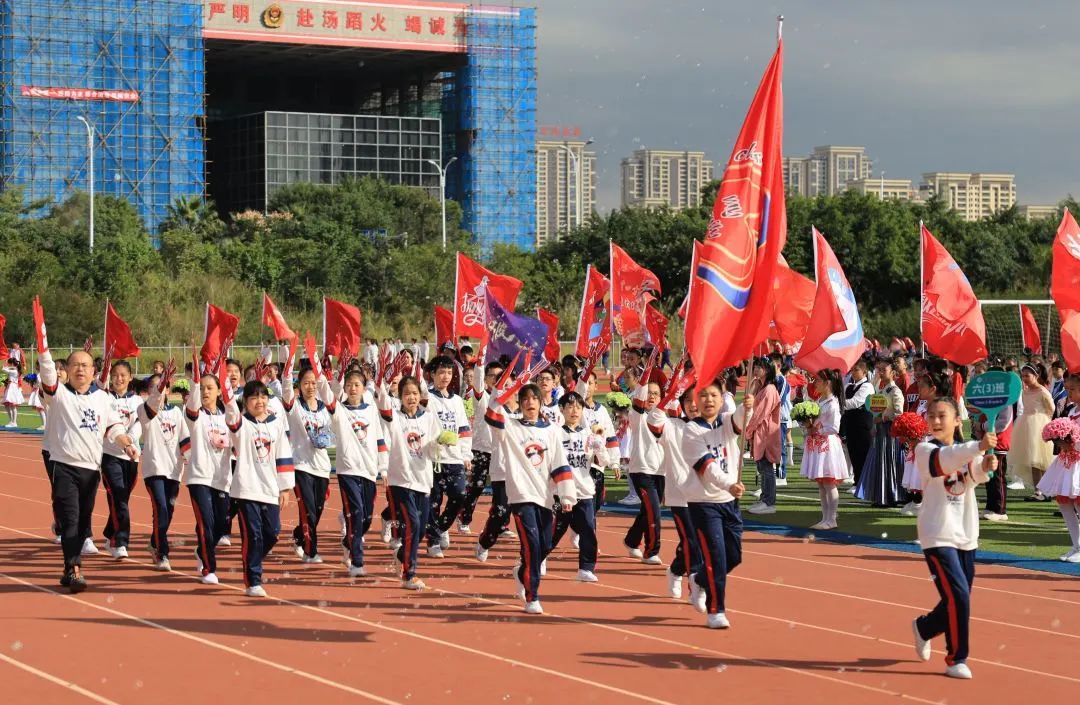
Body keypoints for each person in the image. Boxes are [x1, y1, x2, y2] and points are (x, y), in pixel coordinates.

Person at [39, 340, 140, 593]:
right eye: (75, 365)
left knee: (82, 522)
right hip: (63, 466)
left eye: (85, 365)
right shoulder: (58, 394)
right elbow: (49, 374)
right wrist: (43, 348)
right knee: (70, 519)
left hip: (91, 469)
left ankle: (67, 568)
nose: (80, 370)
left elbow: (113, 426)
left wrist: (126, 442)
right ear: (68, 369)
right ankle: (74, 569)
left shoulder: (102, 398)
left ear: (94, 371)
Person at [911, 397, 997, 680]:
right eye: (931, 416)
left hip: (966, 531)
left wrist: (985, 464)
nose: (935, 421)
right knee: (958, 595)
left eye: (942, 416)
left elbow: (970, 477)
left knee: (958, 597)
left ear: (957, 420)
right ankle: (956, 658)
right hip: (937, 532)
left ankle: (925, 628)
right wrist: (978, 447)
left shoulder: (965, 452)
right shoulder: (925, 450)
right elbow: (941, 464)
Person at [485, 370, 574, 615]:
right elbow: (492, 413)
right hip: (521, 496)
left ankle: (521, 570)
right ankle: (532, 596)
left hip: (545, 496)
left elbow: (559, 463)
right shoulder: (511, 427)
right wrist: (503, 389)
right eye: (524, 399)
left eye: (534, 398)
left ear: (541, 401)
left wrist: (566, 495)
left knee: (544, 544)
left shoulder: (552, 430)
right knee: (533, 545)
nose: (529, 403)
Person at [681, 376, 753, 629]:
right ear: (695, 401)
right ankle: (716, 610)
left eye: (713, 395)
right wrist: (729, 484)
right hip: (704, 503)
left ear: (722, 399)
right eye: (703, 396)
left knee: (733, 556)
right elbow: (707, 468)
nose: (708, 400)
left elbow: (739, 422)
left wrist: (747, 406)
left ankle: (699, 578)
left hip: (729, 502)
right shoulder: (691, 430)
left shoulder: (725, 421)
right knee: (716, 556)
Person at [378, 374, 452, 590]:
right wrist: (383, 378)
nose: (411, 398)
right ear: (400, 397)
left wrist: (440, 443)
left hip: (423, 480)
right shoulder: (394, 418)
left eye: (414, 393)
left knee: (419, 531)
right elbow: (383, 404)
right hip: (401, 481)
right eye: (406, 394)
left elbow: (430, 448)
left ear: (420, 396)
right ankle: (409, 575)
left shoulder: (428, 418)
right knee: (413, 524)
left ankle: (402, 555)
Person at [225, 378, 294, 597]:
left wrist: (285, 488)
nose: (259, 401)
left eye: (263, 397)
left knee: (272, 533)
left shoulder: (276, 424)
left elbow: (283, 455)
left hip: (270, 488)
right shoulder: (240, 424)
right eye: (253, 397)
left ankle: (250, 558)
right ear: (245, 402)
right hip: (246, 488)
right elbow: (230, 411)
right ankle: (253, 580)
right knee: (253, 535)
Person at [322, 366, 388, 577]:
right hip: (348, 470)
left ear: (363, 388)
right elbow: (328, 397)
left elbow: (379, 439)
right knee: (356, 512)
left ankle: (347, 541)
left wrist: (383, 468)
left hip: (369, 471)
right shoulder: (339, 410)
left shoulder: (371, 410)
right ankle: (357, 562)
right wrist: (334, 377)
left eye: (357, 385)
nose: (352, 388)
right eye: (349, 385)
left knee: (367, 517)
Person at [647, 383, 705, 601]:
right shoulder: (672, 426)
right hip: (680, 496)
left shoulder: (713, 427)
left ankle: (675, 570)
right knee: (691, 540)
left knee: (698, 541)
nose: (693, 405)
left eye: (696, 399)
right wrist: (671, 393)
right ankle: (696, 585)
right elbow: (653, 420)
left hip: (705, 496)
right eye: (687, 400)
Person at [545, 390, 603, 582]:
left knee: (588, 529)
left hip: (584, 491)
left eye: (578, 407)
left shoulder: (589, 434)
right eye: (570, 407)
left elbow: (601, 461)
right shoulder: (555, 433)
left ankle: (586, 568)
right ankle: (538, 557)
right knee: (554, 531)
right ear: (561, 409)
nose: (574, 411)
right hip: (561, 492)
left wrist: (599, 447)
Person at [184, 364, 232, 585]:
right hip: (199, 477)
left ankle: (202, 549)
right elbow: (193, 406)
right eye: (202, 388)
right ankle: (209, 568)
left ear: (219, 391)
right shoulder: (194, 416)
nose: (205, 392)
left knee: (221, 525)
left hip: (222, 479)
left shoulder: (227, 417)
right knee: (206, 522)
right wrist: (195, 382)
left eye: (209, 388)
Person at [281, 360, 334, 564]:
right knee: (308, 510)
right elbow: (286, 390)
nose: (310, 387)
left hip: (322, 467)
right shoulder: (295, 407)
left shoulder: (325, 408)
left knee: (317, 511)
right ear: (299, 385)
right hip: (301, 465)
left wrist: (325, 438)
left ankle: (298, 535)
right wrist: (290, 359)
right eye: (306, 383)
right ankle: (311, 552)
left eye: (314, 383)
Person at [138, 373, 188, 571]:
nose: (158, 391)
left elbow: (185, 440)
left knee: (168, 510)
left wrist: (191, 459)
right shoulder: (144, 411)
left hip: (174, 470)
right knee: (161, 509)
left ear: (168, 390)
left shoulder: (176, 413)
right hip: (154, 469)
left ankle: (153, 542)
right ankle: (162, 553)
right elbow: (150, 409)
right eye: (154, 388)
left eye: (162, 387)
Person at [423, 355, 472, 556]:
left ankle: (441, 528)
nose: (445, 376)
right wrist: (436, 440)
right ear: (432, 375)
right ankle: (433, 541)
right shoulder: (427, 398)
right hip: (434, 459)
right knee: (433, 501)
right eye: (441, 372)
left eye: (449, 373)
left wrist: (466, 454)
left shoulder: (457, 401)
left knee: (459, 495)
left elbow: (464, 430)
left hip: (454, 458)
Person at [623, 352, 665, 563]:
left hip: (661, 472)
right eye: (648, 393)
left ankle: (631, 540)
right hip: (642, 471)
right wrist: (647, 372)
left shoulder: (665, 416)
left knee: (647, 511)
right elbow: (640, 396)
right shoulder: (637, 415)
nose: (651, 397)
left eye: (655, 394)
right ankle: (652, 551)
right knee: (654, 513)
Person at [100, 361, 144, 559]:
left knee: (122, 498)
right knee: (118, 495)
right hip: (109, 455)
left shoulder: (137, 402)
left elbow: (140, 423)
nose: (119, 379)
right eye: (115, 375)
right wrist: (120, 442)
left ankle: (110, 533)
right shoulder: (104, 398)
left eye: (123, 375)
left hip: (132, 456)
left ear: (130, 377)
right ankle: (120, 541)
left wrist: (129, 441)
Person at [459, 361, 504, 534]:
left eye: (500, 376)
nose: (497, 379)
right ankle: (464, 518)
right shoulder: (481, 395)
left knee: (502, 490)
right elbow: (477, 381)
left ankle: (502, 523)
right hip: (480, 449)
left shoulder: (506, 399)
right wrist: (481, 358)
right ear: (486, 379)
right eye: (493, 376)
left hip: (500, 451)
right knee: (476, 486)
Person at [1039, 375, 1080, 561]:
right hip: (1066, 463)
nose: (1068, 393)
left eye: (1072, 389)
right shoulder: (1071, 411)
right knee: (1065, 504)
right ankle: (1076, 545)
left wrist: (1072, 444)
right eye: (1067, 388)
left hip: (1077, 462)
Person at [801, 369, 849, 529]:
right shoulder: (821, 400)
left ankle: (831, 518)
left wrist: (817, 430)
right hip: (818, 444)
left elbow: (834, 427)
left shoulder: (833, 403)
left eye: (818, 381)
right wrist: (808, 424)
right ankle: (825, 517)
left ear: (827, 383)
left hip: (827, 445)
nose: (815, 383)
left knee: (829, 483)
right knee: (821, 484)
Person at [855, 359, 905, 508]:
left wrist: (882, 417)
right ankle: (882, 496)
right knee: (880, 462)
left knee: (889, 462)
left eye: (884, 370)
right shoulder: (881, 390)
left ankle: (891, 496)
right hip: (881, 432)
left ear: (893, 372)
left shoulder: (895, 391)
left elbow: (899, 414)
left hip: (890, 434)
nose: (880, 373)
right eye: (879, 369)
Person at [1008, 363, 1055, 500]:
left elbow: (1051, 409)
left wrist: (1041, 421)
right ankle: (1038, 491)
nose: (1025, 379)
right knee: (1032, 461)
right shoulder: (1024, 392)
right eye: (1023, 376)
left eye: (1027, 376)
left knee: (1042, 461)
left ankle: (1048, 490)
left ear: (1036, 376)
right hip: (1025, 426)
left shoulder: (1043, 391)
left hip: (1040, 427)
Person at [744, 359, 781, 515]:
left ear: (767, 370)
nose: (757, 369)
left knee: (766, 468)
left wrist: (749, 430)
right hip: (760, 432)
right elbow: (749, 395)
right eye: (756, 367)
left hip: (766, 433)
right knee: (762, 467)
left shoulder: (770, 389)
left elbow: (760, 414)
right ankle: (765, 498)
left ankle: (769, 502)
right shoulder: (762, 386)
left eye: (760, 367)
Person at [841, 360, 874, 488]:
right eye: (853, 370)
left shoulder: (867, 386)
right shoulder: (848, 386)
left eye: (857, 370)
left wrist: (840, 403)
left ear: (864, 372)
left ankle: (863, 482)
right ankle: (857, 481)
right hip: (850, 423)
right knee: (853, 453)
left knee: (862, 454)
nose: (853, 372)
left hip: (862, 425)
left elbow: (856, 402)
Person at [3, 356, 24, 427]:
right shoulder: (14, 369)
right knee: (7, 405)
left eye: (9, 363)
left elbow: (4, 369)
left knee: (12, 406)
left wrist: (5, 362)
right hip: (10, 386)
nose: (8, 364)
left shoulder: (14, 370)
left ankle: (14, 422)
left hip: (12, 388)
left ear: (11, 363)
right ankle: (11, 421)